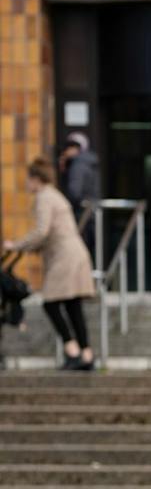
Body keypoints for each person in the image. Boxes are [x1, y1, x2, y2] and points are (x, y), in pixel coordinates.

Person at [4, 157, 97, 371]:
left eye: (28, 179)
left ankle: (72, 350)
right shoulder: (55, 195)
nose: (26, 184)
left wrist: (16, 245)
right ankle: (86, 353)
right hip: (74, 253)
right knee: (73, 306)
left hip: (65, 257)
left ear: (36, 179)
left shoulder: (44, 197)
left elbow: (42, 231)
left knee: (51, 303)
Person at [57, 131, 100, 260]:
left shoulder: (78, 165)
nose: (65, 153)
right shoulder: (89, 163)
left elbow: (74, 192)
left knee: (78, 255)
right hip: (90, 214)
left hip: (81, 215)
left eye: (67, 149)